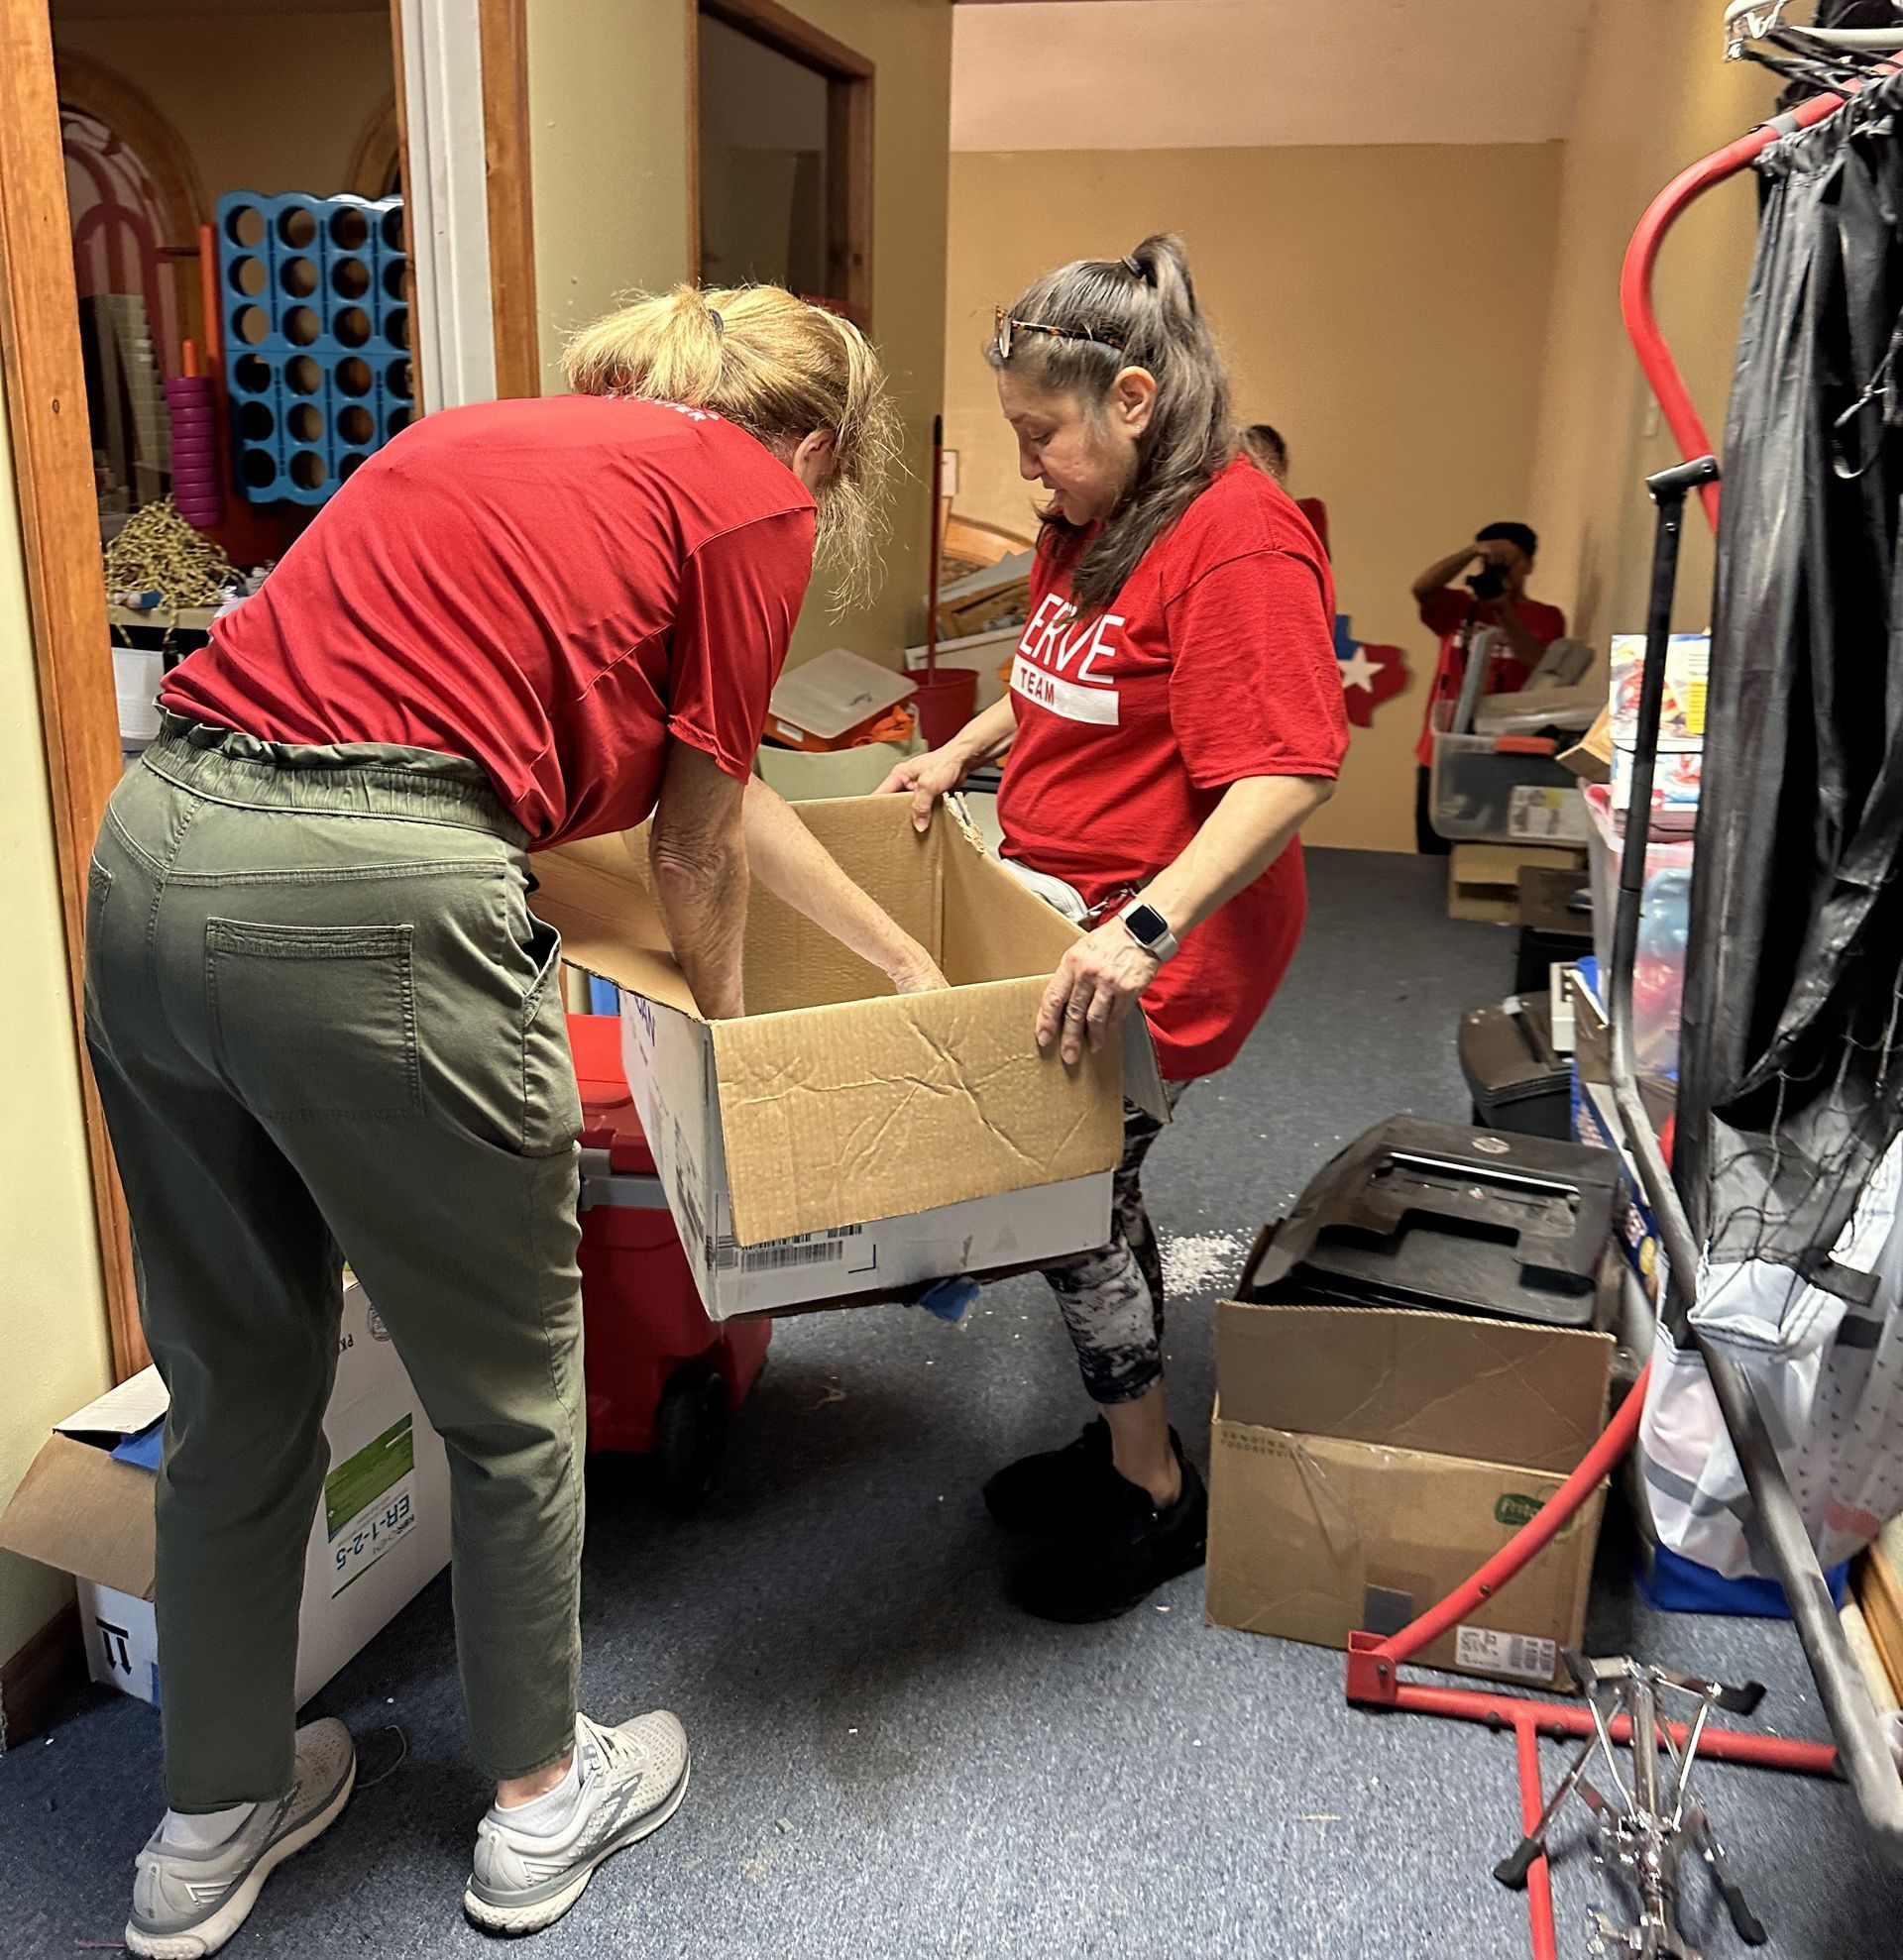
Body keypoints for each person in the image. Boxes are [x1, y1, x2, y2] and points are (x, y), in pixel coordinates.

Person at [85, 282, 939, 1956]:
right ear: (818, 445)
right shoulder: (753, 498)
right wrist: (740, 1049)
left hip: (152, 856)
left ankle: (207, 1821)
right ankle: (542, 1805)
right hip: (379, 892)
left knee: (236, 1376)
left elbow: (717, 786)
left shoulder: (485, 434)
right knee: (511, 1390)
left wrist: (902, 951)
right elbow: (695, 842)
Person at [878, 235, 1348, 1622]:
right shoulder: (1098, 517)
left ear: (1132, 398)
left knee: (1074, 1198)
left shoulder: (1239, 538)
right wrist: (959, 746)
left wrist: (1141, 925)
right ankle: (1126, 1438)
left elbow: (1291, 766)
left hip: (1161, 933)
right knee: (1069, 1194)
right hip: (1060, 905)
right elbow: (1055, 668)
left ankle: (1155, 1492)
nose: (1027, 464)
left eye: (1040, 434)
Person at [1409, 523, 1566, 854]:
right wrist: (1472, 551)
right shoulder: (1458, 608)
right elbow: (1421, 588)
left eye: (1510, 561)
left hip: (1507, 752)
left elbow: (1539, 663)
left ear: (1530, 565)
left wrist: (1503, 610)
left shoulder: (1546, 617)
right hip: (1444, 749)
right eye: (1491, 562)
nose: (1499, 570)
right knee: (1433, 848)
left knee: (1488, 849)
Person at [1240, 420, 1330, 556]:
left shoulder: (1310, 510)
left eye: (1268, 461)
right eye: (1253, 464)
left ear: (1283, 464)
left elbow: (1319, 558)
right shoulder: (1240, 513)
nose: (1261, 470)